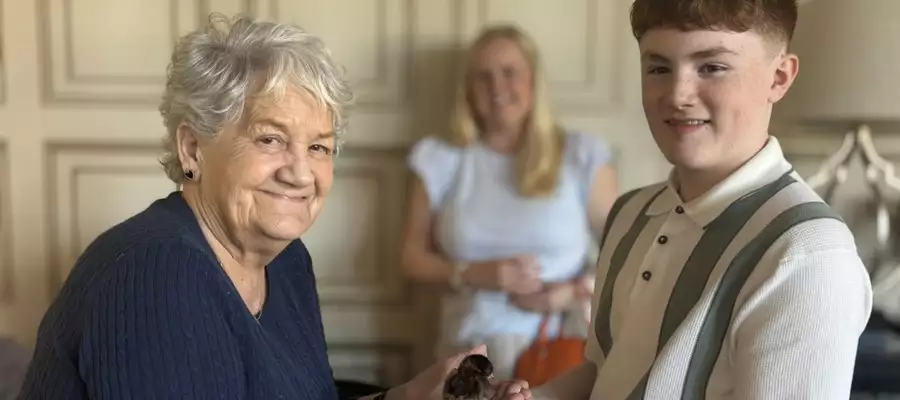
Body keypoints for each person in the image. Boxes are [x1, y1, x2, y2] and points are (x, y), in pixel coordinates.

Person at [17, 14, 532, 400]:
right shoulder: (155, 274)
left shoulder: (285, 263)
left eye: (319, 147)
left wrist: (411, 396)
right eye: (270, 139)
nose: (301, 173)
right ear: (193, 149)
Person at [532, 0, 873, 399]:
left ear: (779, 77)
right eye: (659, 68)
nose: (678, 95)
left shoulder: (807, 253)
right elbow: (606, 372)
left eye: (711, 67)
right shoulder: (629, 213)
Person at [400, 23, 619, 380]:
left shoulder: (580, 155)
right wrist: (474, 273)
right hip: (470, 352)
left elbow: (625, 253)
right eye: (483, 77)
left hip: (562, 351)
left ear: (533, 80)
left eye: (509, 73)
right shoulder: (441, 159)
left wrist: (567, 294)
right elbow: (412, 257)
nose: (497, 87)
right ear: (468, 89)